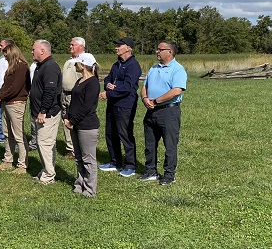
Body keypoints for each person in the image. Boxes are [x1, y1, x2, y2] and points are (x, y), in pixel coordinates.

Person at [140, 40, 187, 186]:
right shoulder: (154, 68)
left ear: (170, 52)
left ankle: (169, 175)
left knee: (170, 145)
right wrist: (145, 98)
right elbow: (145, 86)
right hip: (151, 111)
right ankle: (150, 171)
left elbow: (176, 91)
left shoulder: (178, 69)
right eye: (157, 49)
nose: (157, 52)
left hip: (169, 111)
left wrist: (156, 101)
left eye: (160, 49)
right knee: (150, 144)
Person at [99, 37, 142, 177]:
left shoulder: (133, 65)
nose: (116, 48)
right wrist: (107, 85)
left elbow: (128, 87)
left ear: (128, 48)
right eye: (116, 45)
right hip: (113, 104)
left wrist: (110, 93)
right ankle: (115, 161)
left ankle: (130, 165)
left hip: (125, 105)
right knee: (110, 133)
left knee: (125, 133)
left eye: (119, 45)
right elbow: (107, 79)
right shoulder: (116, 64)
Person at [0, 43, 31, 174]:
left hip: (16, 103)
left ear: (12, 53)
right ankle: (7, 160)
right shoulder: (11, 67)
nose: (5, 57)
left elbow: (16, 87)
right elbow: (6, 86)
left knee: (18, 135)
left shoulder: (22, 66)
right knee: (7, 134)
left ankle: (22, 165)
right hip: (7, 102)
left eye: (6, 54)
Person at [63, 53, 100, 197]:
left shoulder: (93, 83)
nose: (75, 65)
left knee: (88, 159)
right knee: (79, 157)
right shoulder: (80, 81)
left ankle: (90, 190)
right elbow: (74, 102)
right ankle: (80, 184)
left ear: (83, 65)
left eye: (77, 63)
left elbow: (86, 106)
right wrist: (67, 116)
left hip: (87, 125)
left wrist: (73, 121)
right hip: (75, 124)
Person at [30, 39, 62, 185]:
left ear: (42, 50)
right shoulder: (41, 66)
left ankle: (49, 176)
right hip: (40, 112)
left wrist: (43, 111)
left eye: (33, 49)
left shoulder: (50, 67)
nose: (32, 52)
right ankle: (46, 170)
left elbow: (50, 92)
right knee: (44, 143)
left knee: (45, 144)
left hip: (47, 113)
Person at [60, 37, 86, 159]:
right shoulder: (68, 61)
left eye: (73, 45)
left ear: (81, 46)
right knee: (66, 120)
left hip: (76, 95)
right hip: (64, 94)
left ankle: (79, 148)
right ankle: (70, 148)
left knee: (76, 120)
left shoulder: (85, 61)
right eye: (70, 44)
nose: (70, 47)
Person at [0, 39, 14, 144]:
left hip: (9, 94)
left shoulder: (13, 59)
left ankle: (12, 138)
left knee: (10, 118)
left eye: (1, 45)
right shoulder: (1, 58)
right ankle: (1, 135)